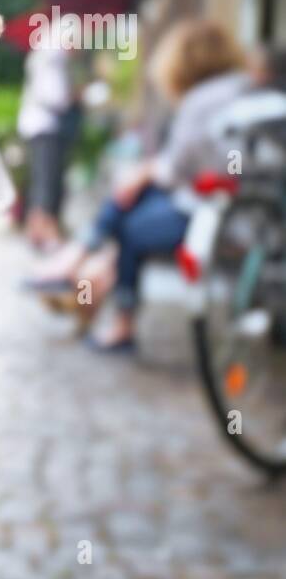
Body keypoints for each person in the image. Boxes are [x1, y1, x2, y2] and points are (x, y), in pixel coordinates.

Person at [28, 20, 252, 350]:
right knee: (134, 195)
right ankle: (85, 269)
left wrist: (144, 173)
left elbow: (175, 170)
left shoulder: (201, 100)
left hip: (220, 214)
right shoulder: (243, 88)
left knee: (131, 221)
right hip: (242, 207)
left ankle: (111, 306)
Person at [18, 23, 79, 250]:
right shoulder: (53, 60)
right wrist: (75, 97)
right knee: (47, 181)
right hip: (46, 127)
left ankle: (36, 231)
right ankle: (46, 231)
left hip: (35, 126)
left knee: (40, 180)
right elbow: (56, 97)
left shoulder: (42, 56)